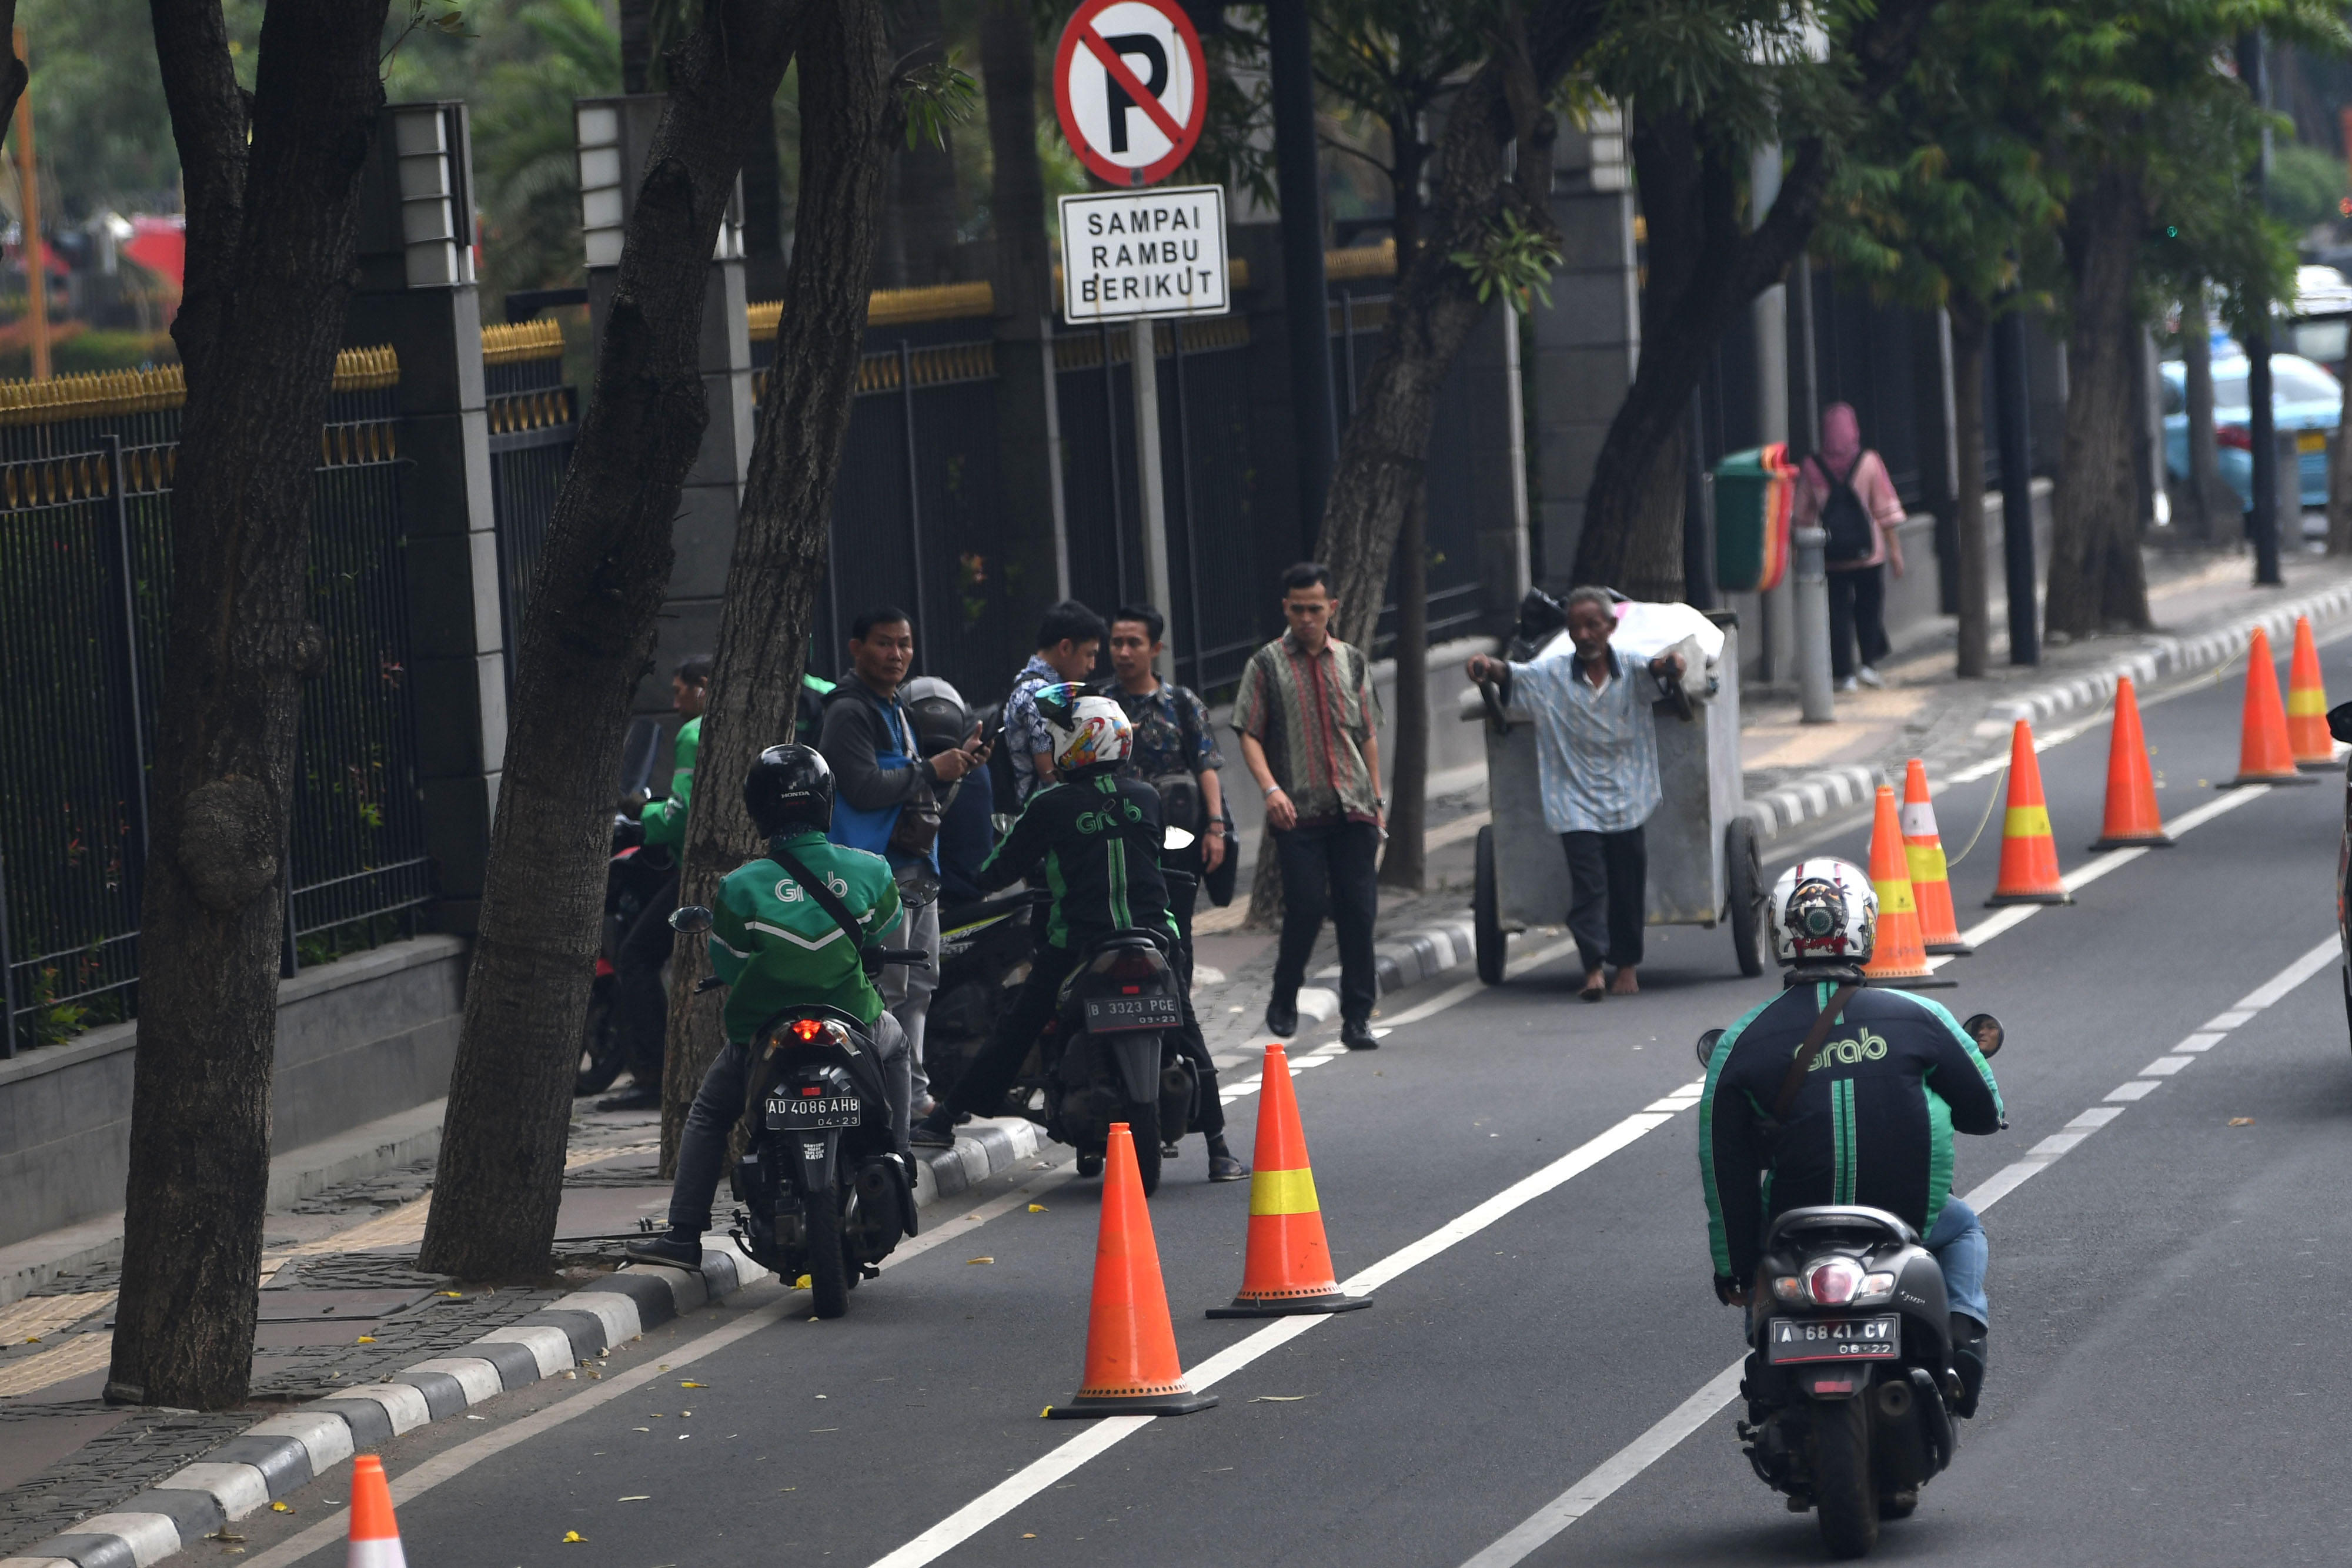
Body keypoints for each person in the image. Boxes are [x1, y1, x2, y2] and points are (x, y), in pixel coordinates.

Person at [1699, 857, 2003, 1418]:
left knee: (1763, 1282)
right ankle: (1962, 1343)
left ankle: (1769, 1358)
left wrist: (1734, 1266)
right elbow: (1987, 1113)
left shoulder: (1741, 1043)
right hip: (1909, 1218)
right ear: (1866, 922)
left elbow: (1725, 1171)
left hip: (1794, 1231)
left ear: (1779, 932)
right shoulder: (1921, 1016)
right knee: (1964, 1230)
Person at [910, 687, 1244, 1181]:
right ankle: (1219, 1149)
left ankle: (940, 1120)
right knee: (1187, 1031)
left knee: (1016, 1029)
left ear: (1078, 743)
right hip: (1155, 936)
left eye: (1059, 738)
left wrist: (976, 875)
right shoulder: (1147, 797)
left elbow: (998, 870)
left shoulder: (1051, 804)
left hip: (1078, 944)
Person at [626, 746, 913, 1270]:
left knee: (710, 1114)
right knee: (897, 1046)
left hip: (763, 1033)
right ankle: (899, 1155)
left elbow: (732, 965)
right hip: (855, 1021)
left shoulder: (738, 887)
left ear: (758, 809)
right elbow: (882, 929)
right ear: (826, 803)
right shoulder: (870, 870)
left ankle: (684, 1235)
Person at [1464, 587, 1684, 1002]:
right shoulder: (1550, 675)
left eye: (1592, 625)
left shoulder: (1634, 671)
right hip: (1574, 801)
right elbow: (1511, 674)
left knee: (1626, 884)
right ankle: (1592, 968)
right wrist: (1485, 665)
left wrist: (1674, 664)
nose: (1584, 635)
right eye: (1576, 627)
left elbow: (1662, 669)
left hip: (1628, 798)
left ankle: (1627, 965)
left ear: (1611, 627)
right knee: (1589, 886)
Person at [818, 609, 988, 1116]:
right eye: (884, 644)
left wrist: (955, 769)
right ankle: (883, 1099)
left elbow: (918, 796)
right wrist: (928, 768)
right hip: (877, 874)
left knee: (918, 985)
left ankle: (912, 1096)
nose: (896, 655)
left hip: (917, 869)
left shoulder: (896, 709)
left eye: (905, 644)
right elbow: (863, 787)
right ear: (856, 647)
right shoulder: (848, 711)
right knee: (887, 989)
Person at [1107, 604, 1245, 1179]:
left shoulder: (1181, 703)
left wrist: (1215, 827)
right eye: (1116, 642)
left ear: (1155, 648)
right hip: (1114, 855)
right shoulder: (1101, 707)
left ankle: (1213, 1137)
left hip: (1177, 852)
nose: (1123, 652)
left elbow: (1207, 766)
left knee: (1173, 978)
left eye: (1133, 642)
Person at [1232, 562, 1384, 1051]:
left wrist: (1377, 800)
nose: (1306, 617)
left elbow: (1369, 734)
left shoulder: (1352, 661)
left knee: (1358, 912)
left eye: (1315, 608)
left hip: (1353, 806)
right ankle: (1284, 993)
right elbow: (1249, 732)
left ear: (1332, 608)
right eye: (1297, 609)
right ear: (1286, 608)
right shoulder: (1266, 664)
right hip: (1297, 810)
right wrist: (1270, 790)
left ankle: (1357, 1016)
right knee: (1305, 906)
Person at [602, 654, 709, 1111]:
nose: (674, 700)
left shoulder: (692, 732)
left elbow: (679, 816)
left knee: (635, 956)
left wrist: (638, 811)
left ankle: (652, 1073)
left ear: (702, 687)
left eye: (679, 690)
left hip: (695, 870)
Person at [1794, 402, 1906, 692]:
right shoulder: (1869, 461)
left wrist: (1799, 554)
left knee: (1837, 613)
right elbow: (1884, 509)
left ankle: (1844, 674)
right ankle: (1868, 664)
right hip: (1869, 552)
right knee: (1869, 608)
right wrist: (1895, 551)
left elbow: (1802, 516)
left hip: (1831, 553)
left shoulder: (1811, 466)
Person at [1001, 600, 1108, 804]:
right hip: (1045, 818)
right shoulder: (1041, 693)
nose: (1092, 665)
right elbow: (1050, 772)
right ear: (1065, 647)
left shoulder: (1034, 686)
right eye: (1089, 655)